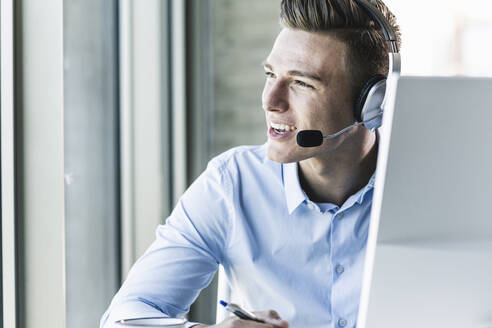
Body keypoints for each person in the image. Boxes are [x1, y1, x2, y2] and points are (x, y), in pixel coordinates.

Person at [100, 0, 401, 327]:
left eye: (301, 83)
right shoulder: (231, 184)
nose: (270, 100)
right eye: (270, 74)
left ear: (371, 104)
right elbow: (122, 318)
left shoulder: (431, 191)